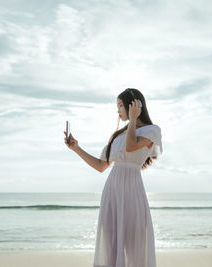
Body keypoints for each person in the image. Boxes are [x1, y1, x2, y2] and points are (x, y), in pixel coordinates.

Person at [64, 88, 162, 267]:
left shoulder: (152, 130)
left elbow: (132, 146)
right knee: (110, 245)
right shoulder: (117, 136)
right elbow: (101, 166)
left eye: (120, 106)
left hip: (132, 191)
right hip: (112, 191)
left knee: (134, 244)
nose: (118, 111)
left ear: (135, 105)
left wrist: (133, 119)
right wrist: (76, 148)